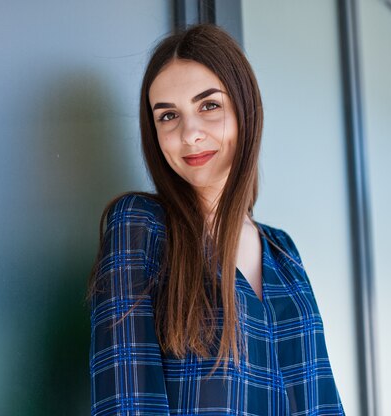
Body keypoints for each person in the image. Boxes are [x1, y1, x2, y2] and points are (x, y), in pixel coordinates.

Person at [87, 24, 345, 415]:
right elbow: (128, 402)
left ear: (245, 109)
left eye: (209, 105)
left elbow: (322, 399)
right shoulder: (140, 227)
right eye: (168, 116)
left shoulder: (283, 251)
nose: (189, 134)